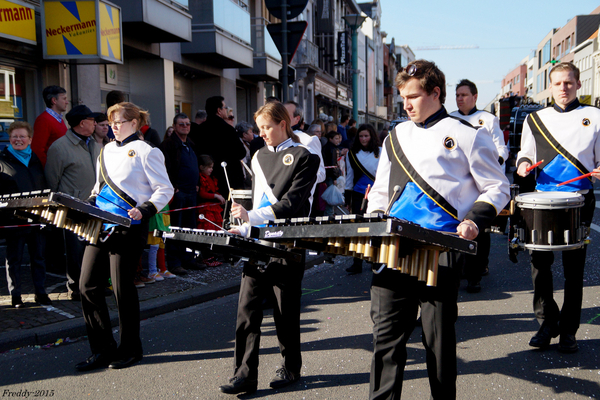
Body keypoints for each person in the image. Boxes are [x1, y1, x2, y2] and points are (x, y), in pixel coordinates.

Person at [366, 60, 509, 399]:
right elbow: (382, 190)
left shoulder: (467, 135)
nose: (406, 104)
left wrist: (474, 219)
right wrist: (373, 221)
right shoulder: (395, 135)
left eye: (413, 96)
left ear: (435, 93)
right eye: (402, 97)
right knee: (385, 340)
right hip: (394, 248)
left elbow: (497, 187)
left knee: (438, 343)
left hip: (441, 250)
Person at [219, 102, 320, 395]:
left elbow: (293, 204)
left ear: (283, 124)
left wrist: (253, 216)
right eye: (259, 128)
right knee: (247, 311)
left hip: (288, 240)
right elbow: (257, 197)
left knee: (284, 311)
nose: (261, 134)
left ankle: (290, 368)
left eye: (266, 127)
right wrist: (242, 219)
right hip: (258, 240)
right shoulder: (259, 156)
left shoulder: (306, 157)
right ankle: (244, 375)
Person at [75, 102, 173, 372]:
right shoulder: (104, 149)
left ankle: (130, 348)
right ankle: (102, 349)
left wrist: (144, 209)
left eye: (119, 121)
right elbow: (99, 186)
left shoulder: (147, 151)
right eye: (111, 121)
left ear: (134, 122)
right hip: (100, 224)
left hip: (130, 225)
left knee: (122, 288)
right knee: (87, 285)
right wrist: (90, 202)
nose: (113, 126)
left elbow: (165, 189)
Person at [516, 62, 600, 353]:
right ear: (549, 87)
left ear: (578, 84)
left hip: (579, 199)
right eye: (557, 84)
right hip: (543, 200)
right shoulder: (535, 119)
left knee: (574, 269)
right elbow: (524, 154)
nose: (563, 88)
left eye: (568, 82)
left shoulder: (594, 116)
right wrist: (524, 165)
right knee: (540, 266)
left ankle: (569, 331)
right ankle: (547, 322)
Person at [449, 79, 509, 293]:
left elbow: (502, 149)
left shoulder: (488, 119)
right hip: (460, 182)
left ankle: (476, 273)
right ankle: (461, 269)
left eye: (464, 95)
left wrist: (493, 165)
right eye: (457, 95)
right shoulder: (450, 119)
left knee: (479, 229)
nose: (460, 99)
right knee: (457, 227)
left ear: (475, 97)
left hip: (481, 180)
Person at [45, 105, 101, 301]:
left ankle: (92, 285)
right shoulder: (59, 147)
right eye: (92, 120)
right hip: (72, 208)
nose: (95, 123)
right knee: (75, 251)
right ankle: (75, 288)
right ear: (82, 123)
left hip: (95, 205)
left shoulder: (94, 144)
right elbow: (52, 181)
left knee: (93, 249)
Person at [0, 122, 51, 308]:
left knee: (38, 257)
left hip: (36, 218)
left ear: (30, 139)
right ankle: (16, 295)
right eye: (15, 136)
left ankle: (40, 292)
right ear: (9, 138)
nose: (18, 140)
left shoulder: (35, 159)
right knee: (14, 259)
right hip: (14, 221)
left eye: (22, 136)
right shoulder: (2, 160)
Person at [159, 113, 203, 275]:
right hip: (178, 193)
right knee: (175, 228)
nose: (185, 126)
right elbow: (165, 167)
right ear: (175, 126)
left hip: (191, 192)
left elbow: (194, 166)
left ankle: (189, 259)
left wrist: (197, 183)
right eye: (182, 124)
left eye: (187, 124)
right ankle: (175, 262)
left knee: (190, 228)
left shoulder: (190, 144)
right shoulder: (168, 145)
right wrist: (173, 187)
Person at [191, 96, 246, 200]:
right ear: (219, 110)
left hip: (208, 178)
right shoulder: (228, 129)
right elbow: (241, 152)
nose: (226, 110)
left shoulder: (200, 130)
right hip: (230, 178)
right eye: (225, 108)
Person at [344, 124, 381, 274]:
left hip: (378, 194)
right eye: (361, 136)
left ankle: (376, 261)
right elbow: (349, 177)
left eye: (366, 136)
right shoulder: (351, 154)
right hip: (359, 195)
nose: (364, 139)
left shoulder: (381, 152)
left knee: (376, 228)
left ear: (372, 136)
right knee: (358, 228)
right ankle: (357, 262)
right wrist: (347, 198)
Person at [284, 101, 326, 187]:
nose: (281, 118)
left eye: (286, 115)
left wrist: (297, 181)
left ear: (297, 119)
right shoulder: (271, 138)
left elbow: (320, 173)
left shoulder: (308, 139)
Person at [32, 86, 68, 166]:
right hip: (52, 170)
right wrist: (49, 170)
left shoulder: (59, 119)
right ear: (54, 100)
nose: (67, 102)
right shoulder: (43, 120)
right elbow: (37, 149)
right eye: (64, 99)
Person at [197, 154, 225, 232]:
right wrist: (215, 196)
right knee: (208, 228)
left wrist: (219, 196)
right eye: (209, 167)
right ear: (202, 167)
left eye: (212, 167)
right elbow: (202, 193)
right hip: (205, 209)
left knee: (216, 228)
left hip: (213, 208)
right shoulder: (201, 178)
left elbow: (213, 191)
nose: (211, 169)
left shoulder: (211, 178)